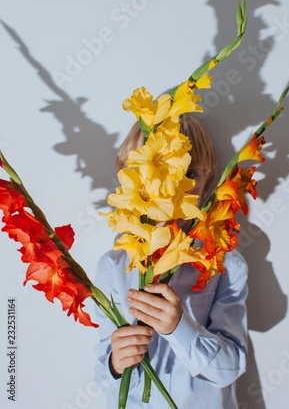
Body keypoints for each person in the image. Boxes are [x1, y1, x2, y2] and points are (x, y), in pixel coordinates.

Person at [94, 115, 248, 408]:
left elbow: (230, 368)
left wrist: (180, 328)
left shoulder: (224, 264)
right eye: (152, 170)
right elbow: (104, 377)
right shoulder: (113, 268)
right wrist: (116, 364)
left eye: (187, 172)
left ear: (206, 188)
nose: (170, 187)